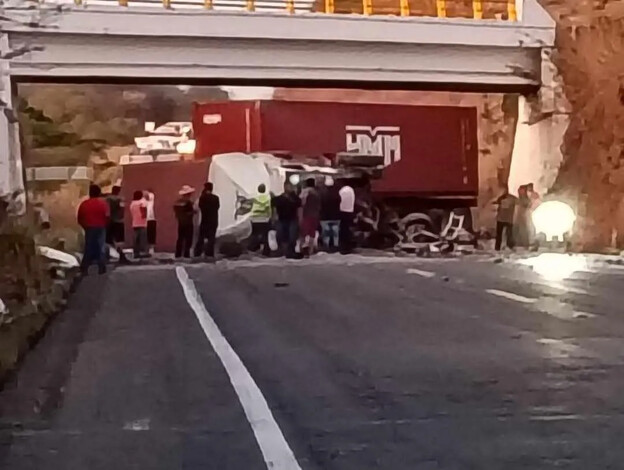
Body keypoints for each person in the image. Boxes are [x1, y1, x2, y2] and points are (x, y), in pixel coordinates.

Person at [77, 184, 109, 275]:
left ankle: (84, 268)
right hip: (100, 227)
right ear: (99, 193)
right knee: (100, 247)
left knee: (88, 248)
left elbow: (79, 218)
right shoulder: (103, 203)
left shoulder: (84, 204)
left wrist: (85, 226)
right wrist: (105, 225)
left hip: (89, 227)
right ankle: (101, 267)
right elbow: (107, 216)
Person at [272, 182, 301, 258]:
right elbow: (274, 209)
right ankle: (282, 250)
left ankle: (290, 251)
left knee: (292, 236)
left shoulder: (295, 199)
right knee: (281, 235)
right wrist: (274, 218)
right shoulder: (279, 199)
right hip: (282, 219)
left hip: (292, 219)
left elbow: (299, 208)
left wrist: (299, 219)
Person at [195, 182, 220, 259]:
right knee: (211, 238)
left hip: (204, 220)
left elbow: (200, 207)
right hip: (213, 220)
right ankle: (209, 254)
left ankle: (198, 253)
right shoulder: (216, 198)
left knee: (201, 237)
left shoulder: (202, 198)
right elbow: (217, 207)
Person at [105, 185, 129, 264]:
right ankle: (121, 256)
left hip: (109, 221)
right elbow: (122, 209)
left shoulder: (107, 199)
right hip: (118, 221)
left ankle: (107, 256)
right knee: (119, 241)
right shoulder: (120, 199)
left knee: (108, 240)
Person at [299, 178, 321, 257]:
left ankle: (301, 249)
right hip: (315, 215)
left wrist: (300, 216)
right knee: (312, 233)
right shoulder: (317, 193)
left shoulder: (305, 191)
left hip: (307, 215)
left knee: (303, 234)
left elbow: (302, 203)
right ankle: (311, 250)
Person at [174, 185, 196, 259]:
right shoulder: (188, 203)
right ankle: (186, 254)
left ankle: (178, 253)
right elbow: (190, 212)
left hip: (180, 222)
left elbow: (177, 213)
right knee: (188, 239)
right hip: (188, 222)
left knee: (180, 238)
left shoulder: (177, 203)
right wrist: (193, 212)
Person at [320, 176, 341, 252]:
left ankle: (327, 247)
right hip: (335, 217)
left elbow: (320, 205)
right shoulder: (337, 193)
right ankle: (335, 246)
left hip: (325, 217)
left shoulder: (322, 193)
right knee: (335, 234)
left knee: (326, 234)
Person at [249, 183, 272, 256]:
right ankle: (266, 251)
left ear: (258, 190)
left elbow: (250, 206)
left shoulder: (254, 197)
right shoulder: (268, 198)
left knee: (255, 234)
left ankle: (254, 248)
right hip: (265, 218)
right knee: (265, 235)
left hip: (255, 218)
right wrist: (270, 216)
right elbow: (269, 208)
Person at [338, 179, 355, 254]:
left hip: (343, 211)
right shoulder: (351, 190)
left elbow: (340, 201)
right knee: (348, 230)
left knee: (343, 230)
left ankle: (344, 248)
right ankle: (348, 247)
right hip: (350, 211)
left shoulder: (342, 191)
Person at [129, 190, 148, 258]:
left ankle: (136, 252)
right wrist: (145, 216)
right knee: (142, 239)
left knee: (136, 239)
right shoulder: (141, 202)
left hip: (135, 223)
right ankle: (143, 252)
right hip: (142, 223)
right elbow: (144, 211)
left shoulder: (132, 203)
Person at [144, 188, 157, 255]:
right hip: (144, 220)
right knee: (145, 235)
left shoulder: (151, 198)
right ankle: (146, 249)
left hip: (151, 219)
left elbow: (149, 196)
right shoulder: (142, 201)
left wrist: (145, 193)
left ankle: (151, 249)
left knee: (151, 235)